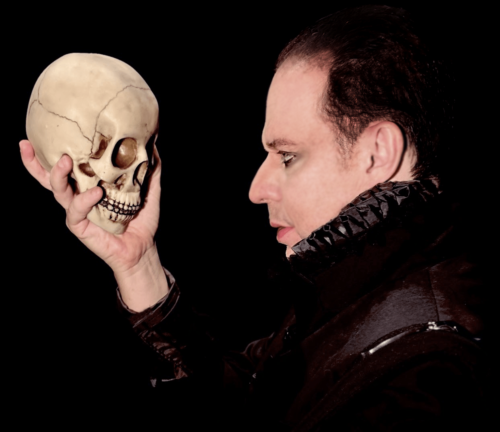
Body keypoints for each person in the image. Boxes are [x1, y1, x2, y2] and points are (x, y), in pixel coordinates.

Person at [20, 5, 491, 430]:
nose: (256, 189)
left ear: (377, 152)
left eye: (287, 156)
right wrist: (138, 265)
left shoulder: (426, 379)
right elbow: (244, 402)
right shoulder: (358, 284)